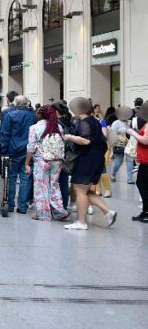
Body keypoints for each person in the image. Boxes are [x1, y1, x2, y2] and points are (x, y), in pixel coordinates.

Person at [62, 97, 116, 230]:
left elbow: (85, 141)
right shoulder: (95, 121)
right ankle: (108, 212)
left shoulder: (84, 122)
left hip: (87, 159)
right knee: (85, 189)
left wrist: (68, 137)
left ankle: (81, 222)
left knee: (80, 190)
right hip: (96, 159)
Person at [24, 105, 68, 222]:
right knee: (54, 184)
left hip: (41, 161)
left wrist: (27, 162)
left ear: (40, 115)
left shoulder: (34, 128)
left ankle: (44, 213)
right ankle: (59, 210)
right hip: (57, 161)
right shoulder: (58, 127)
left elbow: (31, 148)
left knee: (41, 186)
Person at [0, 94, 36, 214]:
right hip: (28, 151)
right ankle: (23, 206)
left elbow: (5, 135)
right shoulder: (33, 115)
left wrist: (3, 151)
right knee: (26, 178)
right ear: (27, 103)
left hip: (13, 150)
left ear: (15, 103)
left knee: (11, 177)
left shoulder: (9, 115)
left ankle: (10, 205)